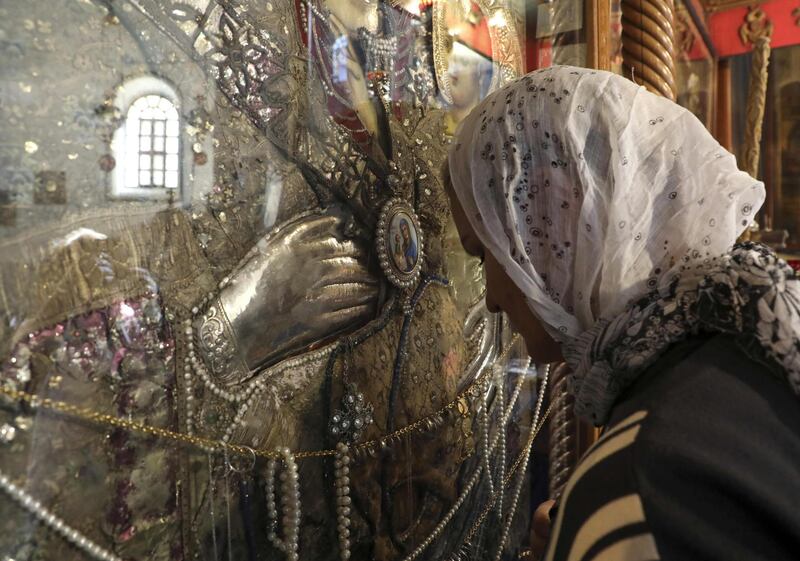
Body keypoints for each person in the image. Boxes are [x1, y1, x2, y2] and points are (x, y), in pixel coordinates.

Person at [445, 66, 800, 560]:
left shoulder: (644, 474)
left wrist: (603, 525)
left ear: (551, 212)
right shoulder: (750, 335)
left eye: (486, 254)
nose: (489, 298)